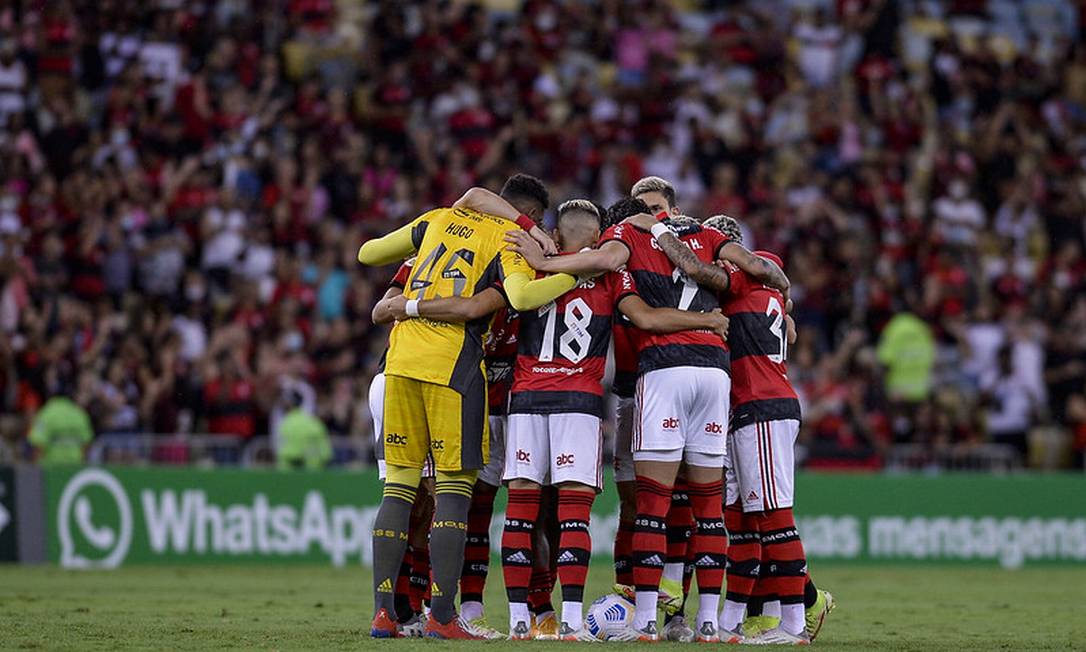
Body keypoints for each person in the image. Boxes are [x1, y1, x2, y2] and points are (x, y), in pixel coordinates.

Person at [505, 178, 782, 643]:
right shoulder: (704, 240)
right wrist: (774, 296)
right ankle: (695, 616)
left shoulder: (615, 249)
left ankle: (646, 617)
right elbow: (753, 269)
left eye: (655, 208)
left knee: (651, 506)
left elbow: (630, 300)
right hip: (683, 379)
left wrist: (542, 259)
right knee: (693, 506)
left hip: (648, 378)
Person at [358, 174, 578, 640]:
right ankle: (442, 616)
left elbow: (368, 253)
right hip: (453, 367)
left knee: (399, 489)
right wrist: (573, 273)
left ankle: (384, 615)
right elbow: (517, 297)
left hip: (398, 362)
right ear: (534, 218)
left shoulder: (435, 221)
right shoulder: (510, 240)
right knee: (456, 492)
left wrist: (411, 303)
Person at [29, 392, 93, 465]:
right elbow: (87, 443)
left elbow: (38, 443)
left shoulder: (46, 413)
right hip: (75, 466)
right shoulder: (79, 414)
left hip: (51, 467)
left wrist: (36, 466)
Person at [275, 391, 331, 471]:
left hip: (289, 473)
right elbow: (325, 452)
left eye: (285, 402)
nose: (283, 404)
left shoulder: (286, 423)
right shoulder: (314, 422)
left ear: (290, 403)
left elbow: (288, 453)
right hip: (314, 473)